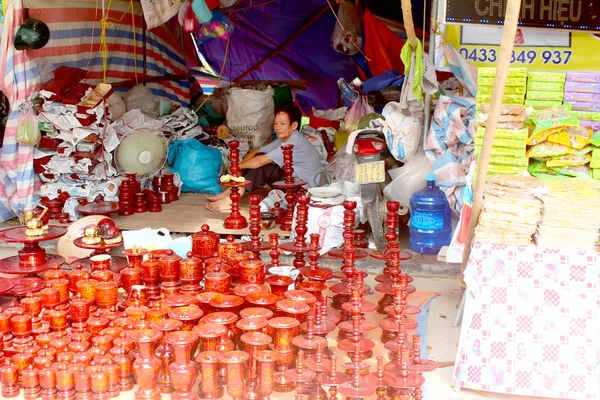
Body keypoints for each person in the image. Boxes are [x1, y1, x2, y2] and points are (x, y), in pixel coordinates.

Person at [206, 103, 322, 212]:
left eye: (282, 124)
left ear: (294, 125)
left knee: (264, 166)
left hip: (303, 190)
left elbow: (260, 162)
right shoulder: (284, 139)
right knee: (258, 158)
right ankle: (232, 192)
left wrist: (237, 167)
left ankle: (232, 199)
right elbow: (257, 152)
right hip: (291, 182)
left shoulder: (295, 142)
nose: (277, 127)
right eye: (275, 123)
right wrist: (239, 172)